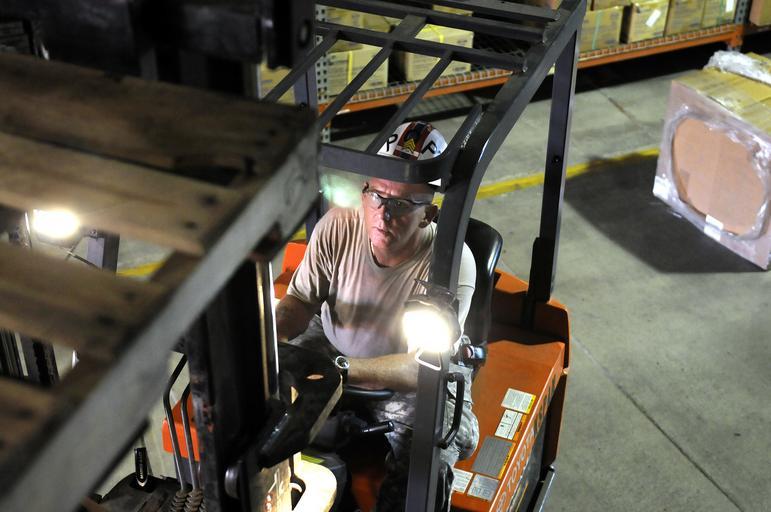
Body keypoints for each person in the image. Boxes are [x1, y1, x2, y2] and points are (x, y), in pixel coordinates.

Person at [275, 121, 479, 511]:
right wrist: (271, 338)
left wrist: (338, 369)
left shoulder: (451, 265)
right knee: (261, 397)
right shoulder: (338, 226)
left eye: (401, 204)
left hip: (408, 371)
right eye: (376, 196)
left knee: (436, 443)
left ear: (428, 214)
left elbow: (420, 367)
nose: (383, 214)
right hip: (332, 341)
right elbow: (300, 300)